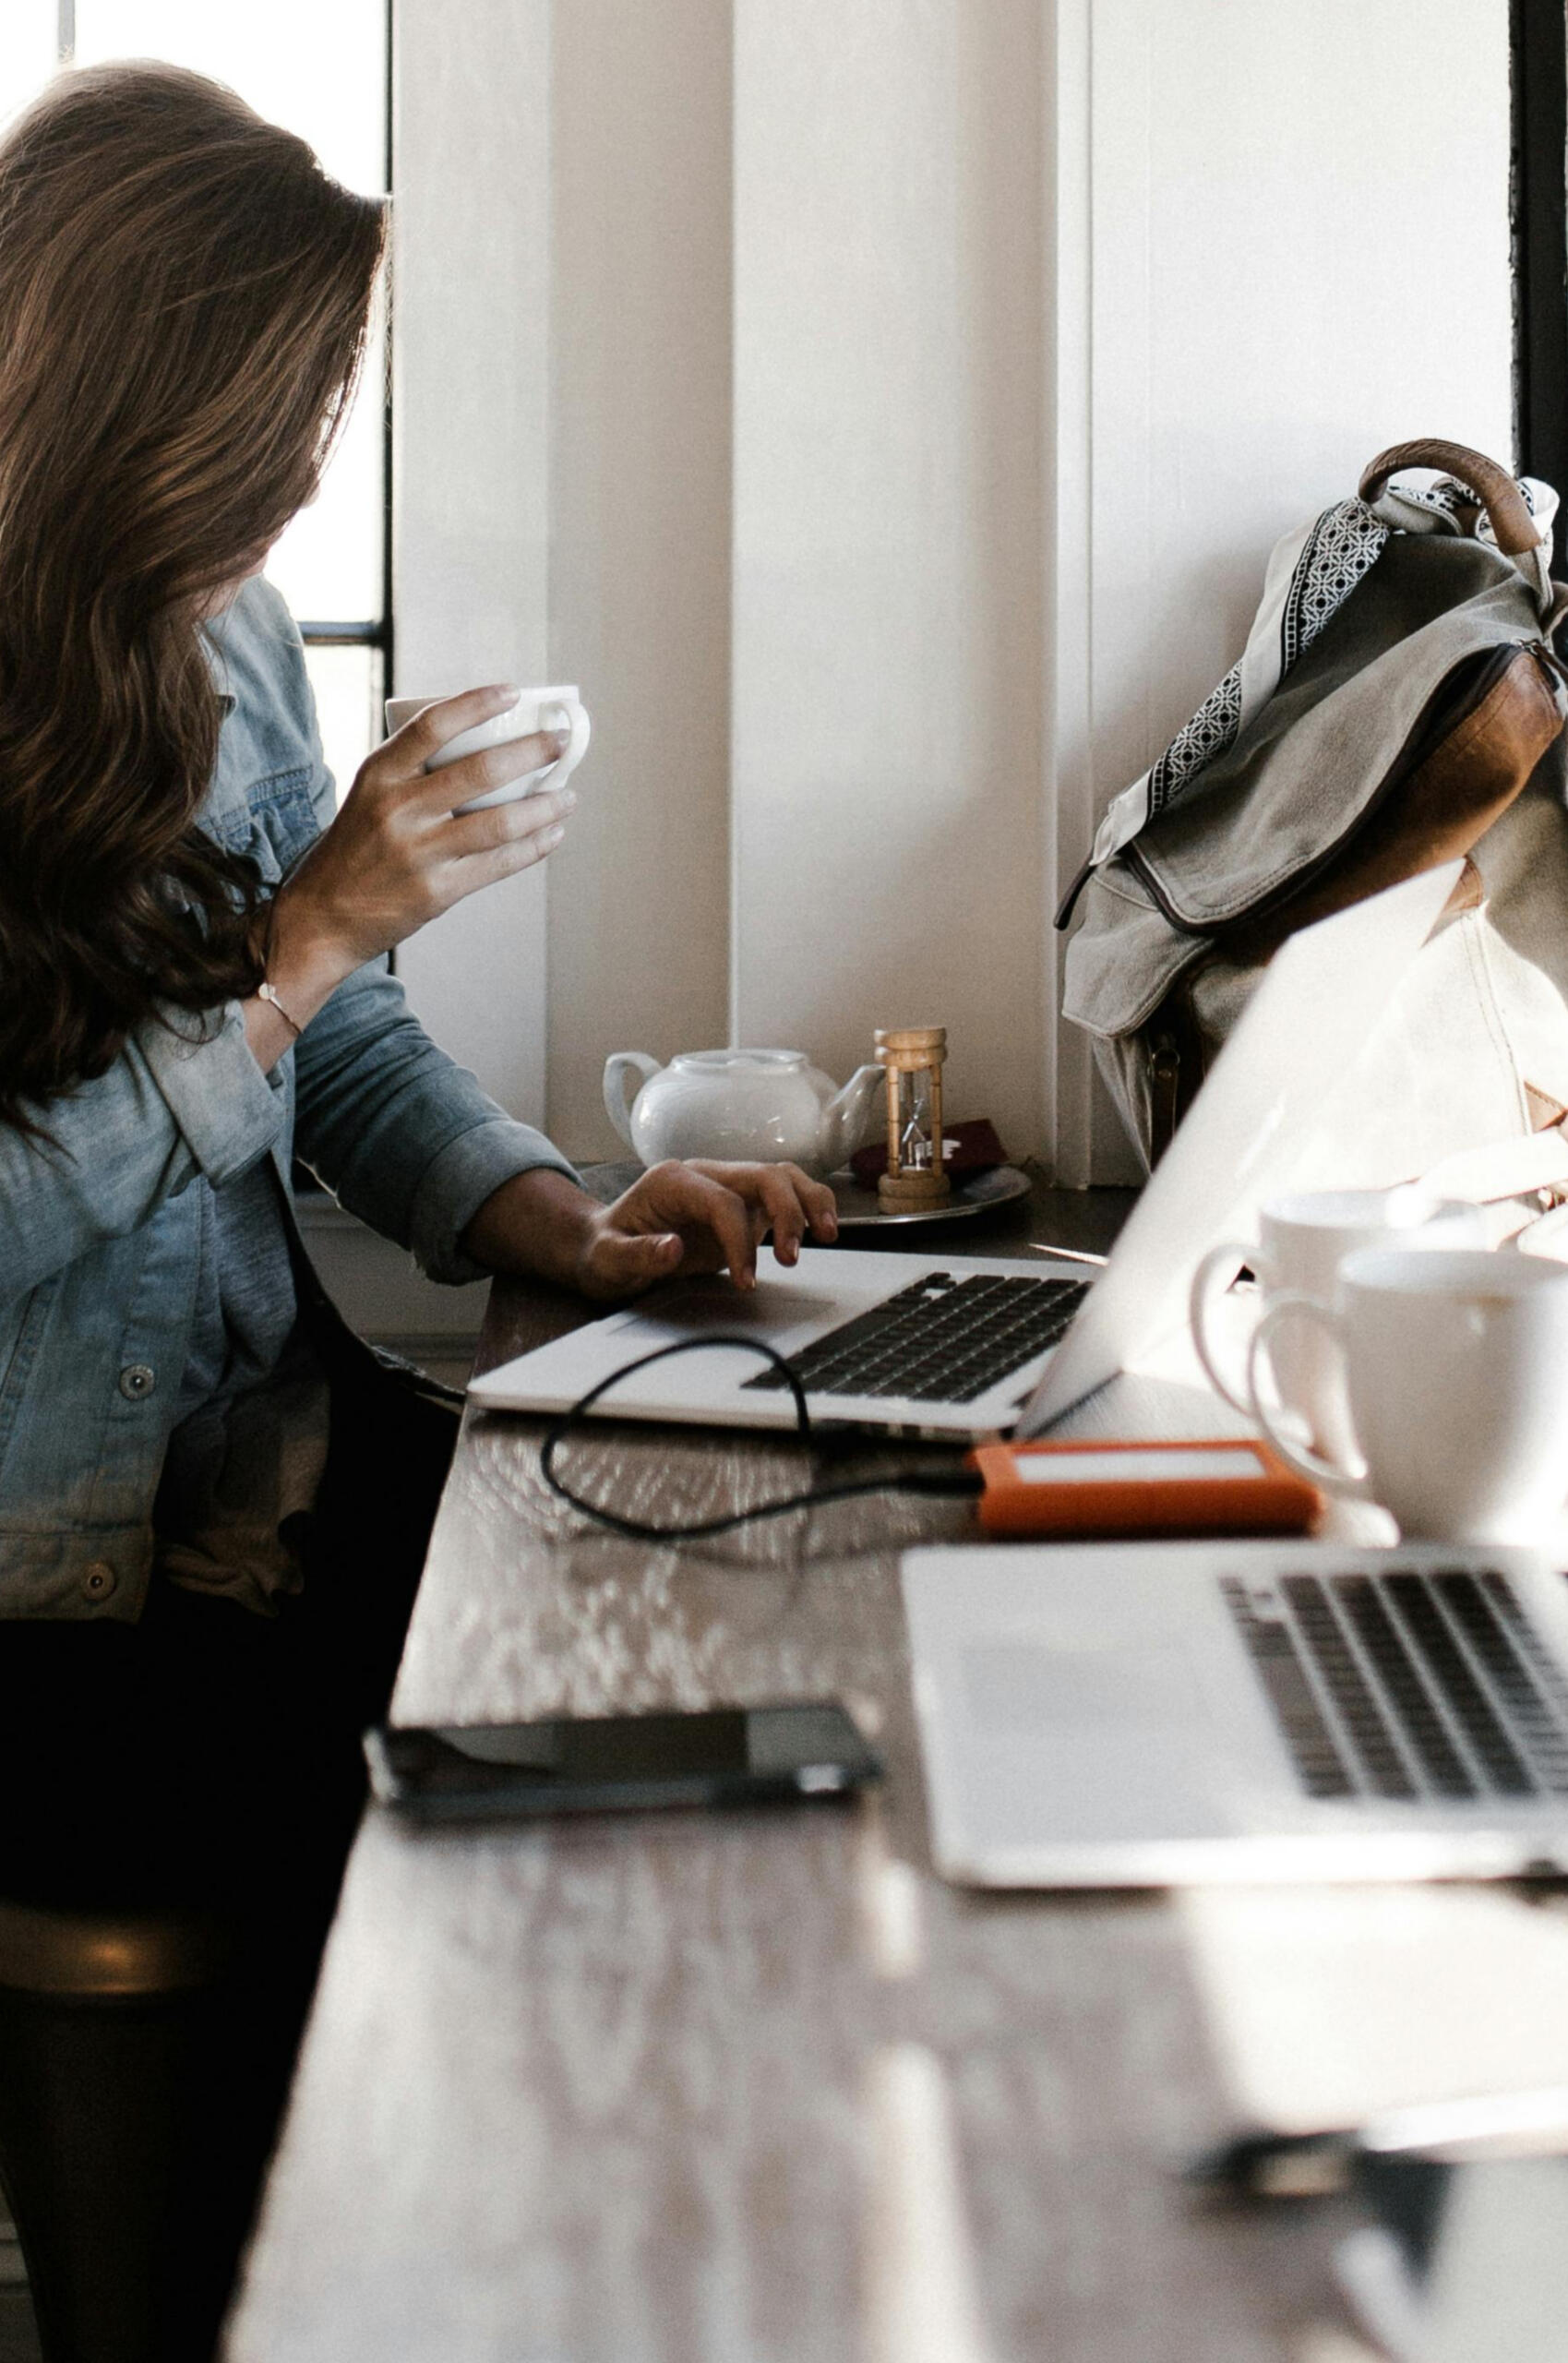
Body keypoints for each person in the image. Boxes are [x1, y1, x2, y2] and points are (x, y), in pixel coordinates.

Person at [0, 60, 835, 2357]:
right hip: (52, 1594)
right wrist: (306, 943)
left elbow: (340, 1044)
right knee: (441, 1946)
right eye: (287, 414)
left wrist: (550, 1216)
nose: (302, 477)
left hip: (255, 1463)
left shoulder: (229, 632)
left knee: (740, 1634)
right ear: (153, 399)